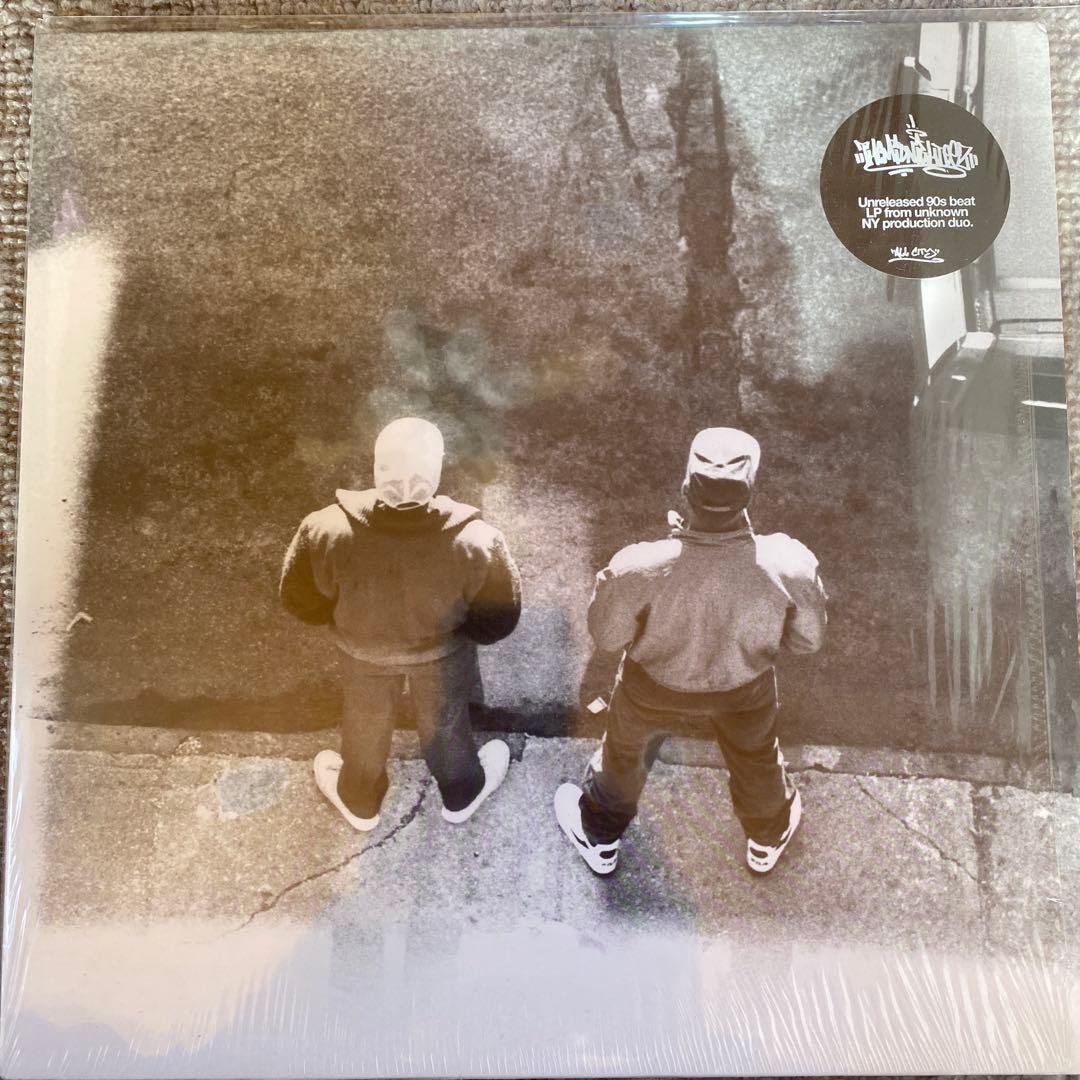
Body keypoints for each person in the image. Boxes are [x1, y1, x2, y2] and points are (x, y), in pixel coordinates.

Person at [554, 427, 827, 875]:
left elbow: (607, 637)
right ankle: (766, 838)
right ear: (749, 493)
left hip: (651, 688)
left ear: (686, 490)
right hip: (745, 689)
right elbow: (807, 641)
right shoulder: (790, 564)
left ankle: (599, 838)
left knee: (625, 757)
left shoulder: (637, 565)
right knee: (755, 756)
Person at [280, 417, 521, 831]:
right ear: (436, 472)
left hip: (361, 651)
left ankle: (359, 800)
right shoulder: (478, 541)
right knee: (445, 720)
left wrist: (342, 621)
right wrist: (462, 633)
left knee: (364, 718)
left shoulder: (323, 529)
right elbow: (499, 618)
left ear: (378, 469)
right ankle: (461, 792)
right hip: (442, 654)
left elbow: (300, 601)